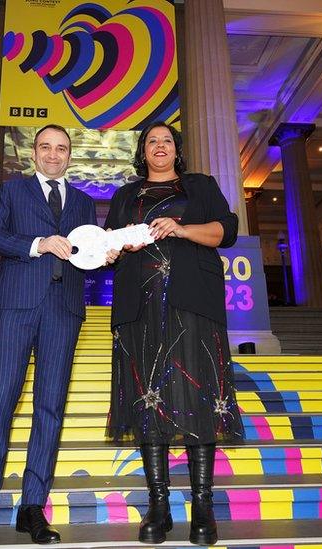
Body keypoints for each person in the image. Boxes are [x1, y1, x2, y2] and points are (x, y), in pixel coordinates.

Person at [0, 125, 113, 549]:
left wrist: (107, 255)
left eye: (61, 148)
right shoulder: (12, 192)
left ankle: (33, 507)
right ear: (34, 153)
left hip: (63, 312)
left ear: (70, 154)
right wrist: (37, 243)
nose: (53, 154)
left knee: (50, 408)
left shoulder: (84, 202)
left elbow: (87, 259)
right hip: (14, 308)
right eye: (46, 147)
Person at [104, 121, 244, 546]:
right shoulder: (126, 194)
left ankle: (203, 510)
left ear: (176, 150)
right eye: (152, 141)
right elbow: (107, 245)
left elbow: (227, 230)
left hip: (193, 306)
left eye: (166, 140)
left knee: (200, 399)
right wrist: (113, 248)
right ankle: (158, 507)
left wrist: (181, 229)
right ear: (142, 151)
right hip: (139, 311)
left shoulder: (200, 186)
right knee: (150, 402)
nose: (159, 146)